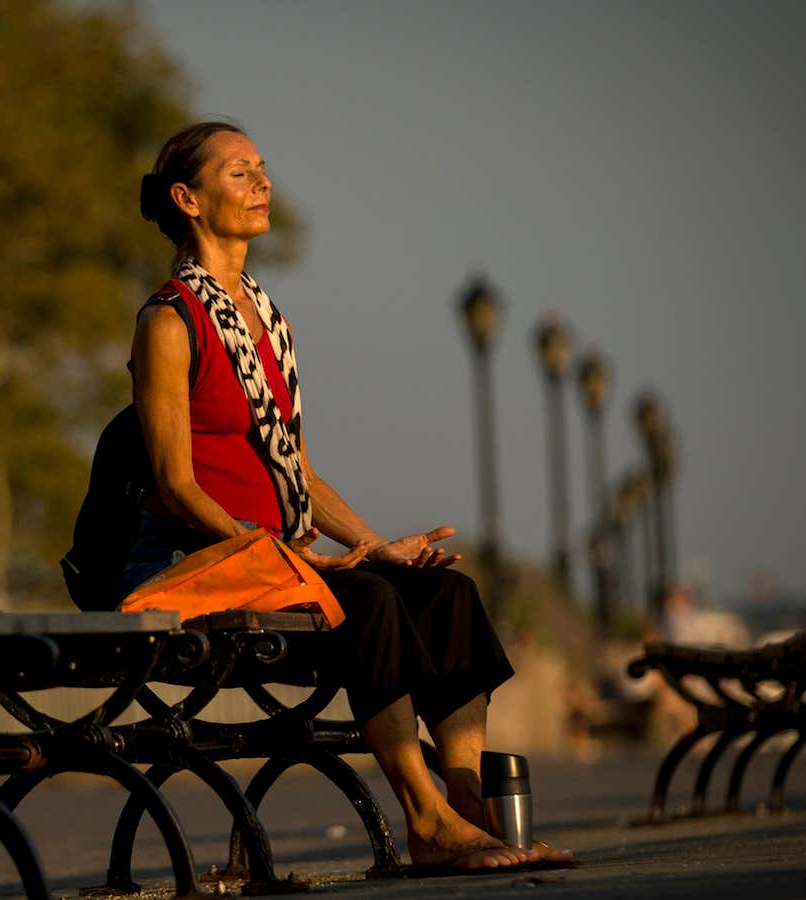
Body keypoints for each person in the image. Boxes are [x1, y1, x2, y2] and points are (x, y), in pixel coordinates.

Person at [117, 120, 570, 871]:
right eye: (237, 172)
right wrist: (274, 555)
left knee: (444, 593)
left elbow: (294, 467)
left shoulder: (267, 323)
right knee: (368, 603)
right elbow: (172, 484)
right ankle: (424, 820)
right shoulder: (169, 322)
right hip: (201, 564)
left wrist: (381, 545)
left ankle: (465, 808)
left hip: (277, 562)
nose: (262, 182)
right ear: (186, 199)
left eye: (262, 168)